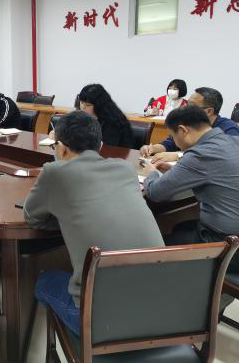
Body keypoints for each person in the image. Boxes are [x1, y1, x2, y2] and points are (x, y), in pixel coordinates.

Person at [25, 110, 164, 336]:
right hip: (163, 310)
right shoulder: (125, 168)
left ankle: (76, 345)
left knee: (44, 281)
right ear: (100, 145)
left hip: (105, 324)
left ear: (60, 148)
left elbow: (31, 217)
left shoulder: (54, 172)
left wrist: (66, 218)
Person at [142, 105, 239, 272]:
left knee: (156, 243)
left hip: (235, 252)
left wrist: (151, 173)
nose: (174, 142)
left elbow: (154, 192)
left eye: (173, 136)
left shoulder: (200, 154)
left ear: (183, 130)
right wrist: (178, 172)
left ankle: (185, 281)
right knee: (180, 226)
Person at [140, 87, 239, 162]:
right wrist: (153, 148)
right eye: (187, 104)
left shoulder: (228, 128)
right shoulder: (186, 122)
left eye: (191, 105)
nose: (186, 108)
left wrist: (178, 155)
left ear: (209, 111)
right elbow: (170, 143)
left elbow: (225, 155)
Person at [76, 83, 133, 148]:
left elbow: (105, 148)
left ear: (99, 105)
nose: (83, 107)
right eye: (81, 102)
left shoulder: (112, 123)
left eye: (88, 105)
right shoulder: (82, 116)